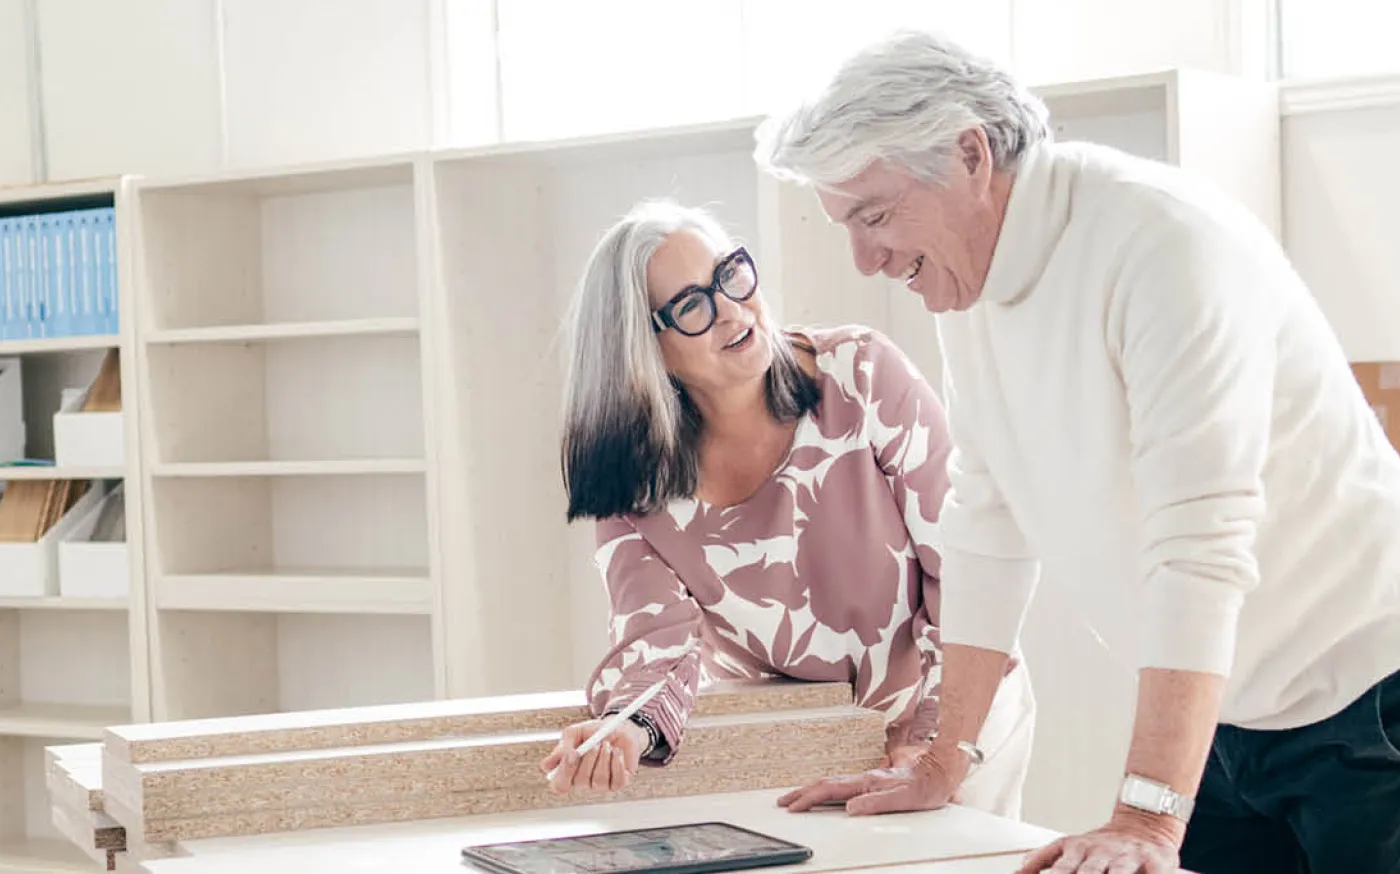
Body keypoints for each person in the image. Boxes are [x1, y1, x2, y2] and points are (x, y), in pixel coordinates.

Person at [751, 27, 1400, 874]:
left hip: (1369, 706)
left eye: (874, 215)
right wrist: (948, 757)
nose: (866, 258)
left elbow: (1199, 546)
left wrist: (1148, 815)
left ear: (970, 155)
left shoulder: (1163, 246)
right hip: (1229, 720)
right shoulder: (972, 285)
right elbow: (987, 520)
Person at [539, 198, 1036, 820]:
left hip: (958, 710)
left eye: (731, 274)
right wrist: (625, 730)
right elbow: (657, 643)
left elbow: (964, 576)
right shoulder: (635, 482)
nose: (731, 309)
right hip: (811, 736)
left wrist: (930, 746)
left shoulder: (859, 374)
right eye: (692, 305)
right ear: (646, 346)